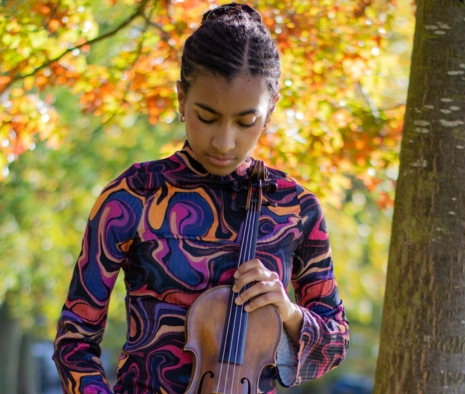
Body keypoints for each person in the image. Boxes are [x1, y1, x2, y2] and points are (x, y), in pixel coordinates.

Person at [52, 3, 349, 393]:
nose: (225, 142)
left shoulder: (297, 209)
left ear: (270, 110)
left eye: (246, 122)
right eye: (207, 117)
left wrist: (289, 313)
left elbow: (336, 341)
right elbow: (75, 343)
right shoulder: (134, 194)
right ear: (181, 98)